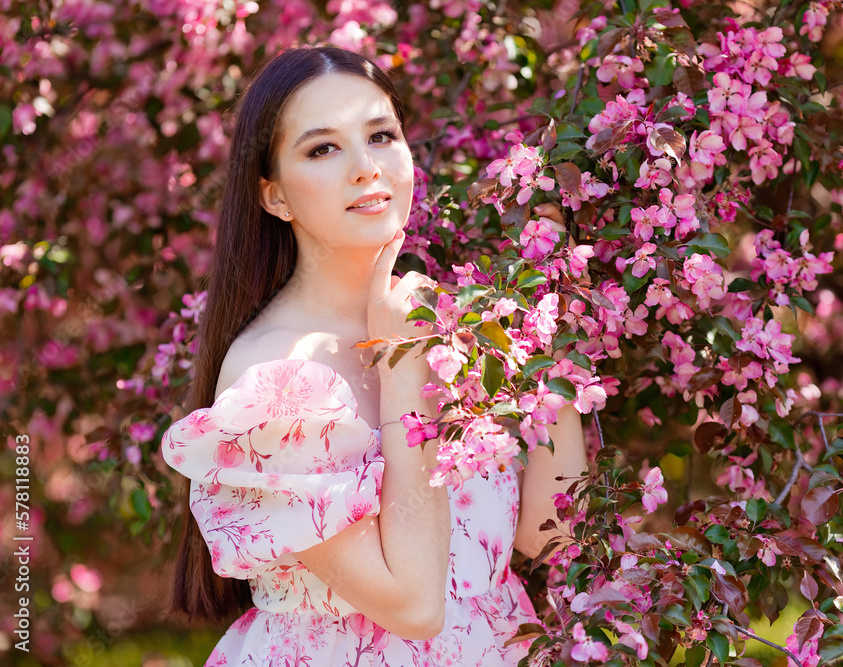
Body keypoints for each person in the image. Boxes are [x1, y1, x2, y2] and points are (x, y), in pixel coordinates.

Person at [161, 45, 587, 666]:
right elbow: (414, 607)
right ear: (275, 195)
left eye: (381, 135)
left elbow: (545, 541)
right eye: (323, 149)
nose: (366, 168)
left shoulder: (442, 319)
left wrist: (556, 355)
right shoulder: (277, 386)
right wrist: (403, 372)